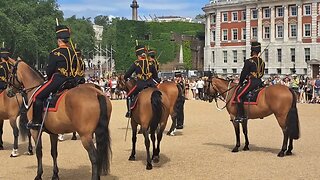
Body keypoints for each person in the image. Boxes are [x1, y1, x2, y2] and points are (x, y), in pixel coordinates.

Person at [27, 24, 78, 129]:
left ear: (59, 40)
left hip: (58, 80)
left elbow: (50, 70)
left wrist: (49, 78)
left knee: (37, 97)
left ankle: (37, 122)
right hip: (72, 81)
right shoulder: (74, 53)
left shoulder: (55, 53)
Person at [124, 44, 159, 118]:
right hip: (151, 85)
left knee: (129, 96)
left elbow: (127, 74)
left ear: (138, 55)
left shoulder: (136, 63)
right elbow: (155, 76)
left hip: (140, 85)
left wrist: (128, 78)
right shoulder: (151, 63)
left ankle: (130, 112)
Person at [235, 41, 265, 123]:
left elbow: (243, 73)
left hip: (251, 82)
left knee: (238, 97)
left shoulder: (249, 61)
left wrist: (240, 82)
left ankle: (241, 116)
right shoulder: (262, 62)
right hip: (260, 82)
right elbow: (262, 73)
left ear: (252, 51)